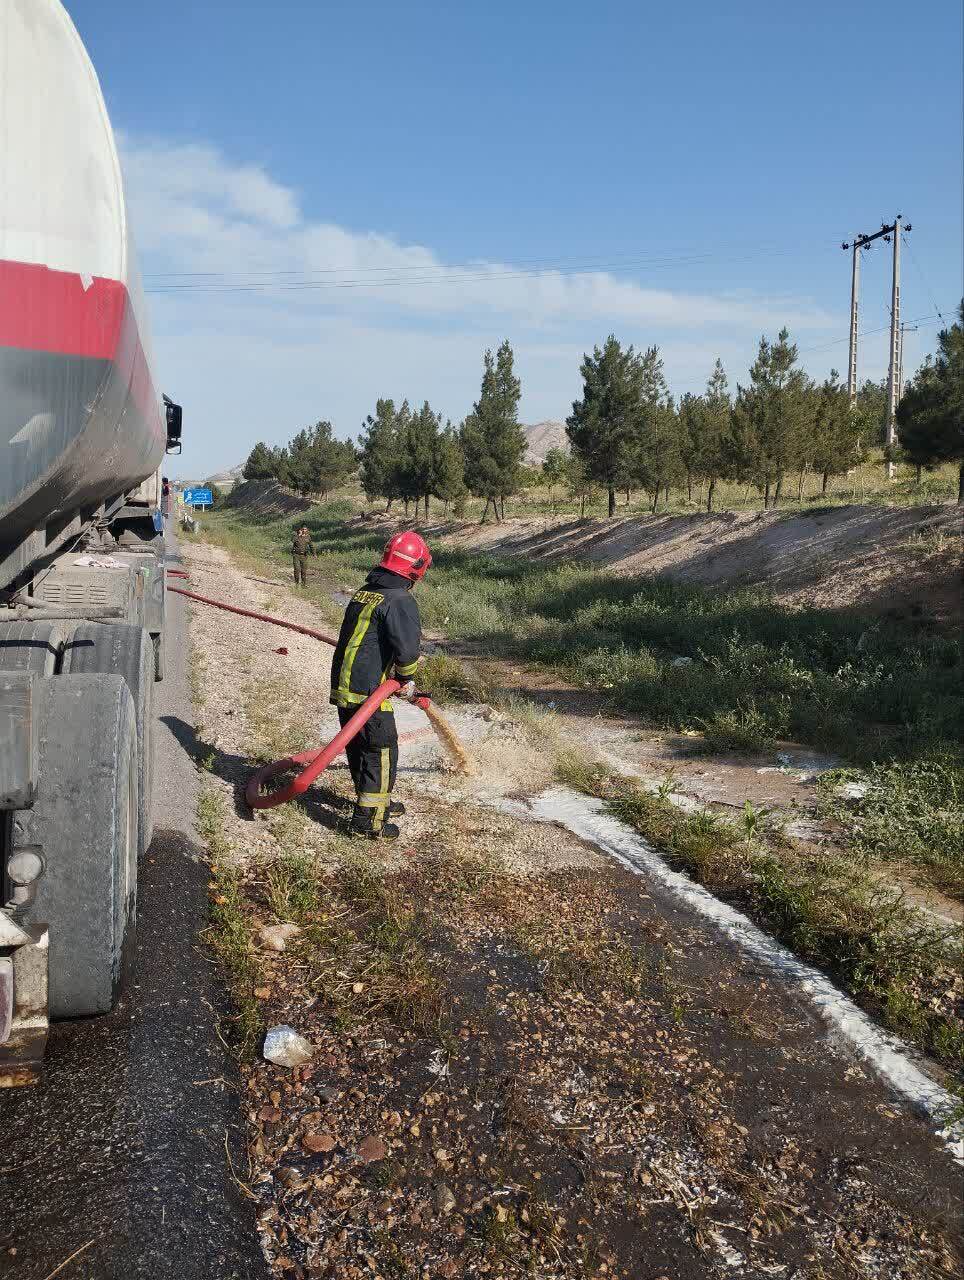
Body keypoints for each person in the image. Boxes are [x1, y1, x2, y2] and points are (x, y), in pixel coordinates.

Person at [329, 530, 431, 839]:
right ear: (417, 567)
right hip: (369, 691)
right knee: (381, 750)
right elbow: (407, 651)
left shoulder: (365, 591)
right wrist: (406, 679)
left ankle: (374, 803)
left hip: (345, 685)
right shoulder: (400, 599)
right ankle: (368, 822)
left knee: (360, 746)